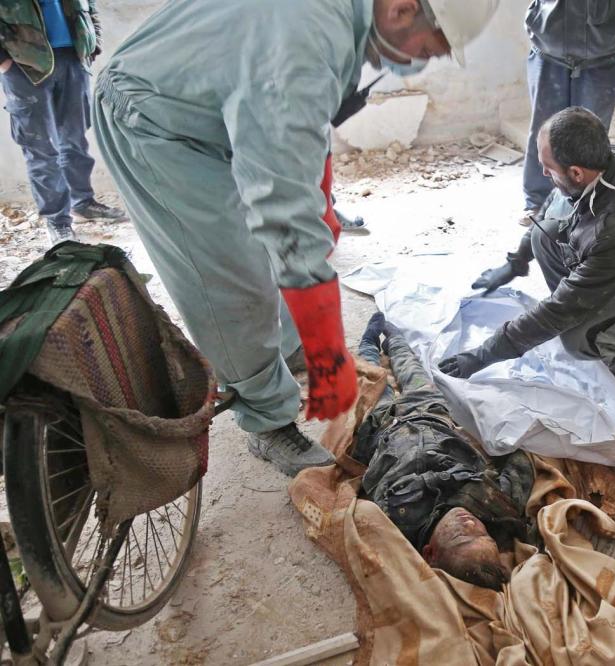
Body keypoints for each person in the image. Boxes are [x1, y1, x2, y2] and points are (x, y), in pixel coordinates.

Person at [91, 0, 499, 477]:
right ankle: (266, 420)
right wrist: (327, 348)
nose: (419, 61)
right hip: (155, 119)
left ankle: (286, 344)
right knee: (227, 275)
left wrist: (318, 217)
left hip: (208, 106)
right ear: (404, 9)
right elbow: (282, 204)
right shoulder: (304, 41)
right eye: (428, 48)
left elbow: (298, 140)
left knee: (269, 249)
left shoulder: (338, 22)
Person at [440, 107, 615, 381]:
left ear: (576, 173)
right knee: (542, 234)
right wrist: (517, 261)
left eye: (548, 168)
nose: (544, 173)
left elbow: (560, 310)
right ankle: (596, 306)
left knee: (576, 337)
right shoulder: (603, 160)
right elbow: (552, 204)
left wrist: (484, 354)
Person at [353, 312, 534, 590]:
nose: (470, 524)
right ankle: (393, 336)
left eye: (461, 537)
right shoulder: (496, 505)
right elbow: (520, 461)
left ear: (429, 553)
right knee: (410, 366)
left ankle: (367, 342)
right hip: (431, 415)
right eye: (483, 535)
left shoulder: (397, 528)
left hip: (382, 428)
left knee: (365, 377)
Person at [0, 0, 126, 246]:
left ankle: (83, 203)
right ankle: (58, 221)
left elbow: (88, 5)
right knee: (41, 148)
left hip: (72, 58)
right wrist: (4, 60)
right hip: (25, 65)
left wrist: (92, 41)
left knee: (75, 139)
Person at [519, 0, 615, 227]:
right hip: (550, 41)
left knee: (591, 136)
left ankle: (585, 206)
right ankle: (538, 202)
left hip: (604, 49)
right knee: (544, 130)